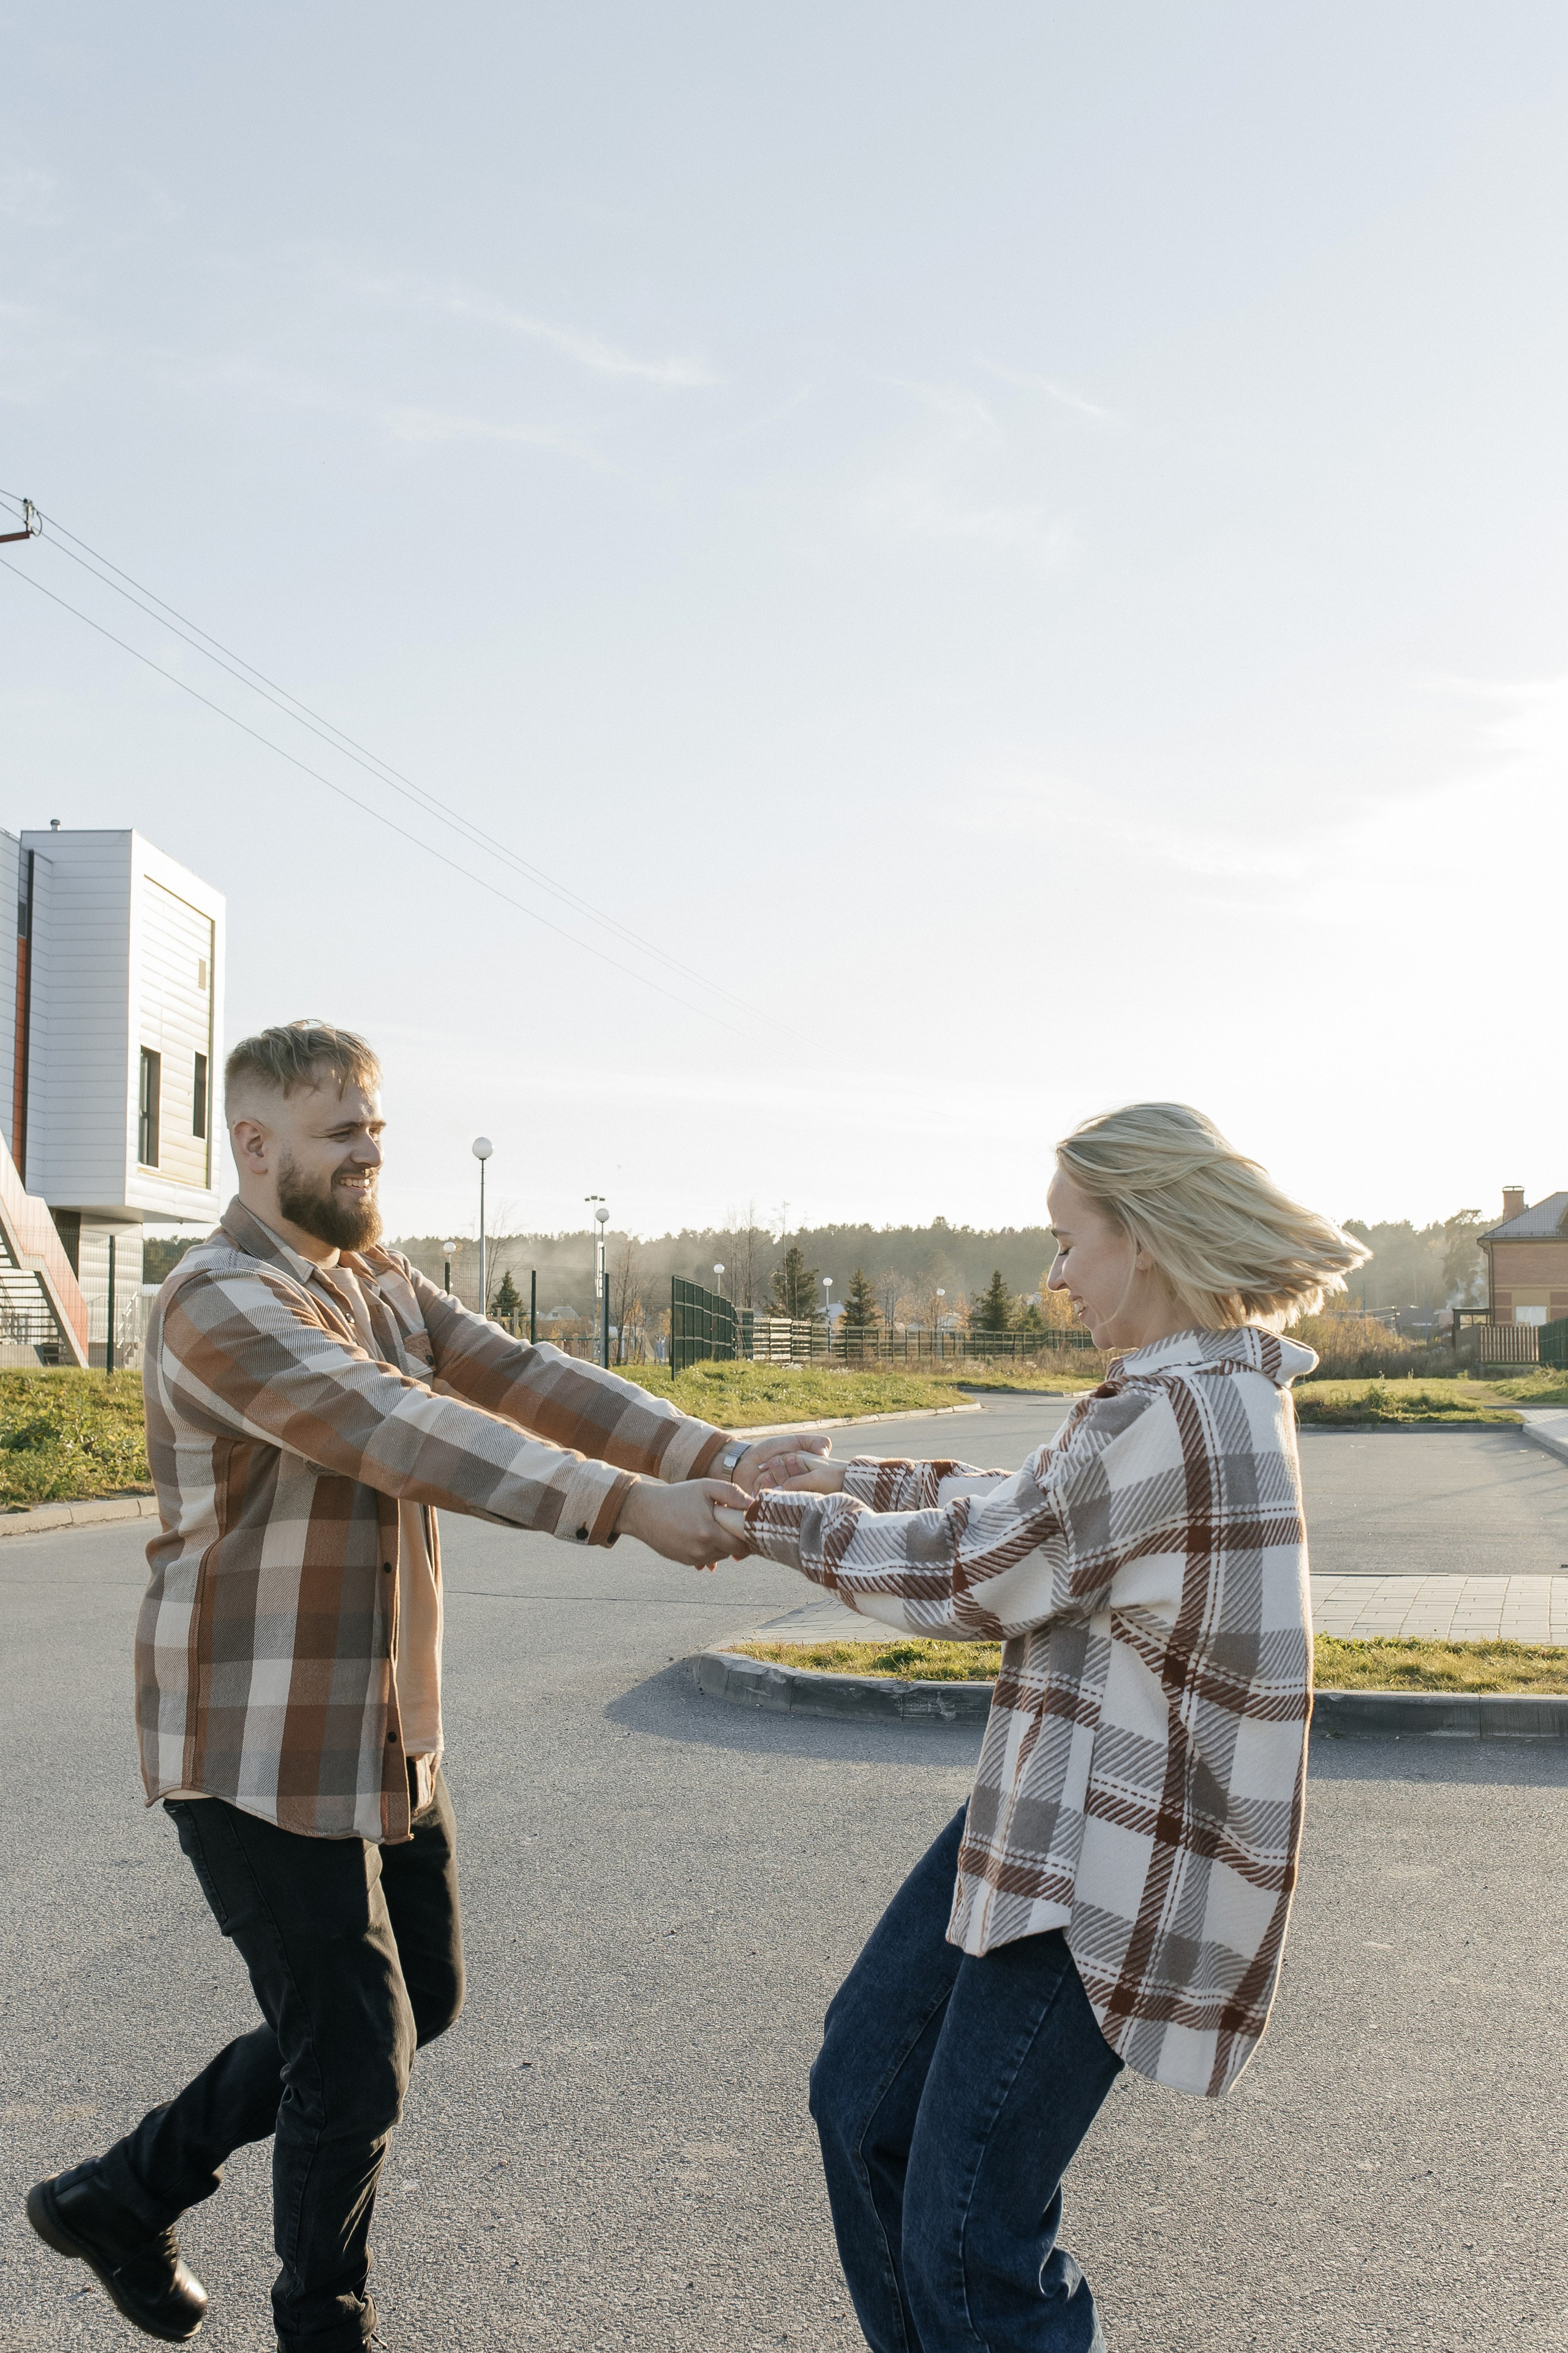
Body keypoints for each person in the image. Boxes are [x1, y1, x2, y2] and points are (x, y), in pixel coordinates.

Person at [26, 1020, 820, 2352]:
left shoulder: (378, 1282)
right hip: (250, 1738)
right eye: (342, 1132)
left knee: (418, 2005)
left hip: (379, 1730)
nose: (370, 1151)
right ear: (257, 1144)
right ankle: (321, 2322)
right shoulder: (218, 1299)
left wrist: (722, 1453)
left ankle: (121, 2193)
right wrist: (625, 1505)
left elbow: (524, 1376)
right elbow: (399, 1428)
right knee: (348, 2053)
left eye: (375, 1127)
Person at [715, 1102, 1368, 2353]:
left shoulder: (1176, 1417)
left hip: (1109, 1858)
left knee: (968, 2238)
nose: (1054, 1274)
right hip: (1045, 1810)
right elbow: (1025, 1509)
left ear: (1148, 1237)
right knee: (860, 2102)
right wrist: (840, 1481)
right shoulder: (1180, 1393)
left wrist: (764, 1520)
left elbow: (982, 1570)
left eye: (1068, 1241)